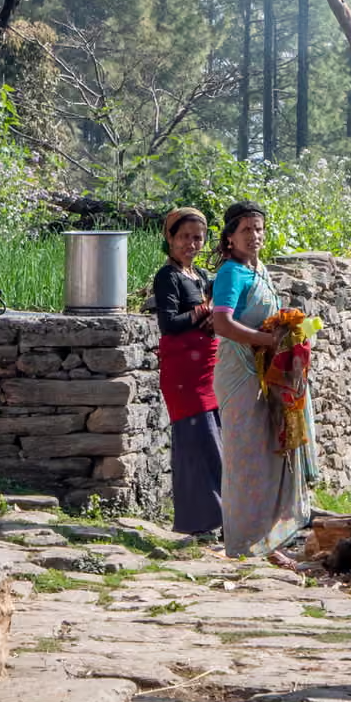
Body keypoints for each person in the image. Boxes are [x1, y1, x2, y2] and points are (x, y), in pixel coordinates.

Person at [209, 201, 315, 563]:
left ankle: (268, 540)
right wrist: (269, 341)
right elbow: (221, 323)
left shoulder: (260, 271)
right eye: (246, 230)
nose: (254, 236)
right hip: (240, 373)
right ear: (230, 237)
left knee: (269, 454)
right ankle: (243, 541)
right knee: (245, 458)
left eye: (258, 229)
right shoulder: (231, 273)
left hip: (263, 372)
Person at [151, 208, 223, 540]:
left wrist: (210, 318)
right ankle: (198, 522)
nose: (191, 244)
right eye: (184, 237)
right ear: (169, 237)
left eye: (197, 238)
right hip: (184, 376)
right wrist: (202, 312)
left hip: (205, 372)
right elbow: (169, 323)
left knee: (213, 441)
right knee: (196, 442)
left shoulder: (201, 275)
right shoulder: (168, 277)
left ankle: (218, 517)